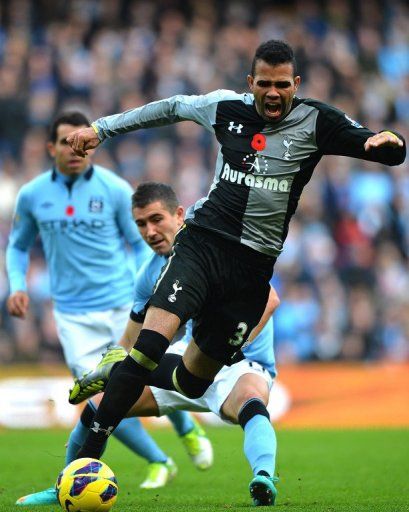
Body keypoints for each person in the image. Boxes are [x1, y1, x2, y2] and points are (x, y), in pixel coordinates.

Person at [66, 38, 406, 500]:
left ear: (296, 84)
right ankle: (90, 458)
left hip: (250, 273)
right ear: (250, 83)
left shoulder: (316, 120)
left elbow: (382, 146)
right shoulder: (225, 107)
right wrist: (102, 129)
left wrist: (388, 143)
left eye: (281, 85)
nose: (272, 92)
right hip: (202, 247)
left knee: (191, 380)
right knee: (147, 346)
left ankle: (120, 371)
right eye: (263, 83)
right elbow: (170, 108)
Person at [6, 112, 212, 506]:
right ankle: (156, 460)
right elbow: (17, 246)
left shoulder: (116, 189)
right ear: (52, 148)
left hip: (123, 302)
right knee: (99, 394)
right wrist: (17, 285)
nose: (75, 149)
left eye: (81, 141)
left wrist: (152, 284)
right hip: (71, 312)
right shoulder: (33, 195)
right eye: (66, 142)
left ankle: (185, 427)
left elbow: (142, 242)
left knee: (139, 372)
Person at [71, 181, 280, 506]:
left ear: (179, 215)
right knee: (100, 402)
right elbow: (129, 342)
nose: (150, 231)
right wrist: (102, 372)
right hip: (188, 359)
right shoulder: (148, 275)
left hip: (242, 363)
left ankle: (263, 476)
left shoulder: (213, 246)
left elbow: (270, 300)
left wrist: (234, 343)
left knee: (252, 401)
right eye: (141, 224)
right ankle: (68, 481)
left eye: (157, 219)